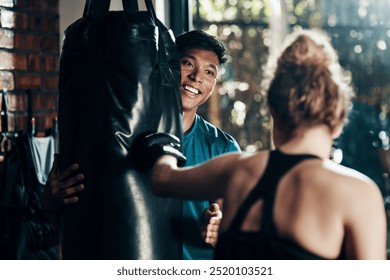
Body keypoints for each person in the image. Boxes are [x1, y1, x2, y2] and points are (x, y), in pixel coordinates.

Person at [147, 28, 387, 259]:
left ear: (272, 109)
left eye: (210, 72)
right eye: (187, 63)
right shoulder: (359, 194)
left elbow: (161, 178)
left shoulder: (235, 168)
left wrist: (166, 136)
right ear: (337, 120)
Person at [42, 30, 241, 260]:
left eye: (209, 72)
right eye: (188, 63)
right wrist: (50, 200)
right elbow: (77, 217)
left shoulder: (222, 147)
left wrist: (222, 226)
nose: (197, 77)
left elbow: (235, 221)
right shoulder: (121, 135)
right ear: (167, 66)